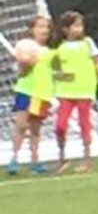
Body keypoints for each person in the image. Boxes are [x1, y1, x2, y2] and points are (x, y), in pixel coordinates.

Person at [54, 10, 98, 174]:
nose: (79, 29)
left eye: (80, 25)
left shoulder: (88, 43)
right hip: (66, 90)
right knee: (60, 125)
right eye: (75, 26)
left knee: (84, 123)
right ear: (65, 29)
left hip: (84, 89)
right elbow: (55, 70)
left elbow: (97, 62)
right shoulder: (60, 48)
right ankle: (62, 157)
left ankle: (86, 159)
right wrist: (62, 76)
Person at [7, 15, 58, 175]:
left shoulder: (49, 52)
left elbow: (54, 73)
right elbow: (22, 70)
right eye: (40, 26)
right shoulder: (26, 46)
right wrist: (27, 61)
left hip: (41, 94)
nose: (44, 30)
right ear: (32, 30)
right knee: (21, 125)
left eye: (46, 27)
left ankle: (35, 161)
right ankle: (14, 159)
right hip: (26, 91)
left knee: (36, 129)